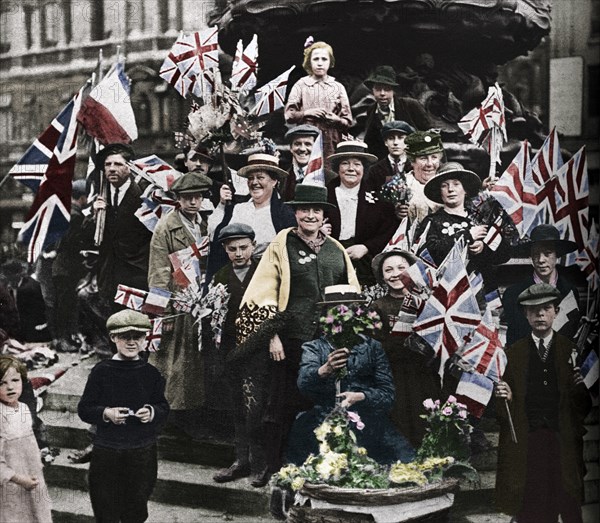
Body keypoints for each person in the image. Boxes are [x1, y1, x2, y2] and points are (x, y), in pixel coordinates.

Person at [233, 184, 359, 486]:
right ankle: (273, 467)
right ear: (296, 212)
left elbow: (351, 291)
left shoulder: (335, 249)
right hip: (289, 339)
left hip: (325, 341)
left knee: (319, 403)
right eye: (304, 210)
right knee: (278, 405)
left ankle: (316, 466)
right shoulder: (282, 243)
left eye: (316, 210)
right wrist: (271, 336)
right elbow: (263, 291)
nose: (310, 215)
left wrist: (346, 333)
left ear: (324, 214)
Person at [286, 286, 416, 465]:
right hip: (323, 418)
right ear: (325, 315)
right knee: (316, 468)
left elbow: (388, 395)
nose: (343, 315)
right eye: (335, 310)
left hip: (368, 420)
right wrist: (325, 369)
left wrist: (360, 396)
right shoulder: (314, 347)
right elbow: (303, 385)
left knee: (404, 463)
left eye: (349, 308)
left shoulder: (373, 347)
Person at [494, 284, 591, 523]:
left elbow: (584, 407)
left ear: (556, 312)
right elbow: (501, 410)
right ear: (525, 315)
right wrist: (505, 396)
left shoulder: (571, 350)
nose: (540, 314)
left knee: (567, 499)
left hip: (563, 439)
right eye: (533, 310)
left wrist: (580, 388)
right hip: (529, 440)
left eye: (546, 308)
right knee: (533, 503)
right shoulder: (512, 353)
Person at [78, 310, 169, 523]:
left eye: (137, 337)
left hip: (142, 451)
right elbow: (85, 409)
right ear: (113, 338)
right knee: (105, 507)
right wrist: (106, 413)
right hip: (108, 450)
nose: (131, 342)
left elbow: (163, 407)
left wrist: (152, 412)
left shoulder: (150, 373)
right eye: (125, 337)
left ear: (145, 339)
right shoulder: (102, 371)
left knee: (136, 507)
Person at [148, 171, 212, 416]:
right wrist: (162, 313)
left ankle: (193, 410)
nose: (193, 202)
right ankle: (170, 412)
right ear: (178, 199)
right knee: (173, 361)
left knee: (195, 360)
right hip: (177, 300)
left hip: (201, 298)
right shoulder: (166, 227)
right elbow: (158, 271)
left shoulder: (204, 223)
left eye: (197, 197)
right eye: (187, 198)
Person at [205, 224, 264, 484]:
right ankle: (241, 460)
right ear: (224, 250)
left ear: (253, 245)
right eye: (232, 249)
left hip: (261, 351)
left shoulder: (265, 272)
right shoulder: (220, 277)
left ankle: (263, 463)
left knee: (259, 406)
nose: (239, 253)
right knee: (237, 406)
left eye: (243, 247)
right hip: (231, 352)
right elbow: (214, 320)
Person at [370, 250, 441, 448]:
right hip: (395, 374)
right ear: (382, 276)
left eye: (401, 268)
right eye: (389, 270)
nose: (395, 274)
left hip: (423, 372)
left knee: (426, 416)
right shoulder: (378, 306)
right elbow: (375, 343)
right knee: (400, 418)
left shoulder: (425, 303)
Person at [415, 162, 510, 285]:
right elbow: (427, 254)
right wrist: (466, 236)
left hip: (482, 288)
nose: (450, 189)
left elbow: (504, 254)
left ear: (465, 190)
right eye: (445, 185)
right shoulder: (432, 221)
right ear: (440, 192)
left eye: (456, 184)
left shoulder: (481, 218)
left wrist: (483, 248)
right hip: (446, 290)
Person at [207, 153, 296, 281]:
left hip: (270, 278)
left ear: (274, 181)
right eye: (250, 178)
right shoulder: (237, 209)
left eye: (260, 177)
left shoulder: (284, 213)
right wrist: (221, 205)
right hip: (236, 279)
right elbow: (214, 237)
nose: (254, 182)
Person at [88, 143, 152, 314]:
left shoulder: (143, 195)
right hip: (109, 274)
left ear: (129, 168)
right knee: (114, 324)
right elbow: (89, 238)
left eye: (118, 164)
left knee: (134, 324)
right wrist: (95, 216)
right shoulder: (101, 196)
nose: (112, 169)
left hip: (136, 273)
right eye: (108, 165)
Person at [326, 140, 399, 285]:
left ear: (364, 168)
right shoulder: (326, 192)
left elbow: (389, 228)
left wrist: (366, 247)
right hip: (329, 258)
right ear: (337, 167)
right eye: (345, 163)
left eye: (357, 164)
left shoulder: (377, 196)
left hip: (363, 262)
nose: (351, 168)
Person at [502, 224, 580, 346]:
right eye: (536, 254)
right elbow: (513, 343)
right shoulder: (513, 294)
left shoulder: (570, 292)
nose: (541, 259)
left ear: (557, 256)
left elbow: (571, 335)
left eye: (547, 253)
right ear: (531, 257)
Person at [0, 355, 53, 523]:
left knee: (39, 515)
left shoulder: (23, 408)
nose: (10, 387)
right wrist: (19, 479)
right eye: (2, 383)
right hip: (11, 485)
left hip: (33, 479)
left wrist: (38, 458)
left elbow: (28, 442)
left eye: (15, 380)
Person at [284, 41, 352, 165]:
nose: (320, 63)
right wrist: (307, 113)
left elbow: (348, 121)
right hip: (306, 139)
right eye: (316, 59)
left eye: (324, 59)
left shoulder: (337, 87)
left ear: (330, 62)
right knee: (307, 171)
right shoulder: (301, 85)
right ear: (309, 62)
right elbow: (289, 115)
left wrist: (336, 119)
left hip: (331, 140)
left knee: (329, 173)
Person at [361, 65, 432, 160]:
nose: (382, 93)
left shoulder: (410, 105)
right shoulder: (372, 111)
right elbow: (371, 142)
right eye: (378, 89)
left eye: (387, 89)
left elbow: (429, 133)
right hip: (385, 163)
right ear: (372, 91)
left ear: (393, 91)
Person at [51, 179, 89, 352]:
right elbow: (72, 242)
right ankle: (63, 340)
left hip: (61, 266)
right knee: (66, 305)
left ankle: (62, 339)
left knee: (62, 304)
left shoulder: (65, 212)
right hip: (68, 266)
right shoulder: (76, 215)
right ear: (82, 198)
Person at [399, 130, 445, 223]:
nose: (429, 164)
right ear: (412, 161)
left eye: (434, 157)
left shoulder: (447, 184)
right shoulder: (399, 184)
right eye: (423, 158)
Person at [367, 120, 415, 191]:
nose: (395, 143)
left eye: (400, 138)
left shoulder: (415, 167)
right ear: (386, 142)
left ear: (407, 142)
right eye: (391, 138)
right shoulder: (374, 170)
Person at [280, 124, 320, 201]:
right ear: (291, 148)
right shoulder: (281, 179)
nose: (302, 149)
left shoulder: (328, 178)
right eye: (297, 144)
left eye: (308, 144)